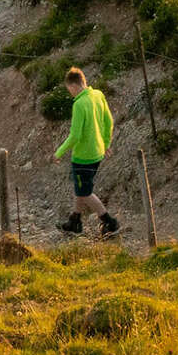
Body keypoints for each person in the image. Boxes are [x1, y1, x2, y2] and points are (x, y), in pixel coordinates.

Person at [55, 67, 118, 236]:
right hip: (97, 153)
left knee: (85, 192)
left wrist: (59, 152)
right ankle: (75, 220)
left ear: (74, 86)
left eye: (70, 90)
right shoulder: (98, 95)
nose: (71, 94)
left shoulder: (79, 104)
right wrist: (106, 144)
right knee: (80, 187)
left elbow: (75, 136)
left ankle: (109, 222)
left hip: (83, 157)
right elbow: (109, 121)